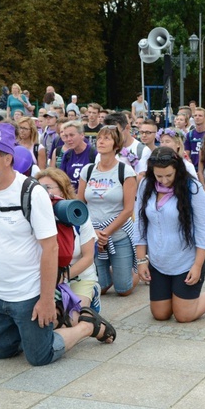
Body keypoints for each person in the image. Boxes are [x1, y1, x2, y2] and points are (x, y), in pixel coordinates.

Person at [0, 123, 116, 366]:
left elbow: (50, 249)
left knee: (39, 357)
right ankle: (32, 333)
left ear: (7, 158)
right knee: (2, 352)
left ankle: (86, 326)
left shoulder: (32, 193)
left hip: (29, 293)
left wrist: (47, 299)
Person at [135, 148, 205, 321]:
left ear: (177, 169)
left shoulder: (192, 188)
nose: (164, 181)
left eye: (169, 175)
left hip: (186, 260)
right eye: (159, 176)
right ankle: (177, 297)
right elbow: (139, 224)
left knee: (184, 316)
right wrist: (141, 261)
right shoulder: (145, 185)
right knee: (160, 314)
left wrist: (197, 266)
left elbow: (203, 229)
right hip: (158, 260)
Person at [77, 125, 138, 296]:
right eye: (100, 138)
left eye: (107, 138)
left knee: (123, 290)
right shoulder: (87, 170)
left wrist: (105, 233)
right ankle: (112, 273)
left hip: (118, 235)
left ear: (116, 144)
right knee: (101, 289)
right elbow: (79, 205)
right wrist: (94, 233)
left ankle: (136, 272)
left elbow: (128, 210)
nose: (101, 141)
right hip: (94, 235)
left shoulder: (125, 171)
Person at [35, 168, 99, 313]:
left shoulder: (78, 214)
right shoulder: (34, 216)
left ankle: (93, 295)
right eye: (38, 189)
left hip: (79, 276)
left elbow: (88, 257)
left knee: (72, 318)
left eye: (48, 188)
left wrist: (63, 277)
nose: (43, 193)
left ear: (63, 191)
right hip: (46, 278)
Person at [56, 120, 96, 193]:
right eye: (66, 136)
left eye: (72, 135)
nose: (68, 139)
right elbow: (62, 178)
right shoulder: (67, 155)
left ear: (82, 135)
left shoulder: (93, 153)